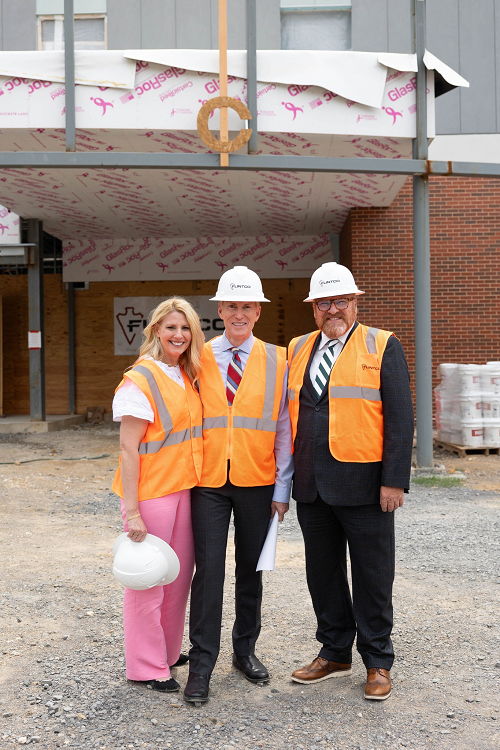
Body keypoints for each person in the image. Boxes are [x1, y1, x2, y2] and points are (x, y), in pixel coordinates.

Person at [287, 262, 414, 701]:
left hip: (365, 485)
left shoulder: (382, 345)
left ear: (355, 302)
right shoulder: (298, 348)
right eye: (324, 302)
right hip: (312, 485)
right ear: (313, 308)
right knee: (321, 573)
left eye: (340, 300)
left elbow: (401, 418)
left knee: (373, 575)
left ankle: (377, 661)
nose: (332, 309)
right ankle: (334, 650)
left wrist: (394, 480)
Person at [184, 266, 293, 704]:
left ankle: (244, 652)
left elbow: (285, 427)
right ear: (220, 309)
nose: (239, 313)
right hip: (208, 482)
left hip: (258, 481)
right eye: (232, 305)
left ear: (258, 310)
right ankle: (202, 664)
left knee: (251, 573)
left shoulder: (278, 359)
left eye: (247, 305)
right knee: (208, 573)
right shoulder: (198, 356)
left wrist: (282, 490)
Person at [112, 297, 205, 693]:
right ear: (154, 331)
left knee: (177, 577)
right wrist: (132, 512)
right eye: (170, 328)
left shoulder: (184, 373)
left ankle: (167, 651)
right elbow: (128, 449)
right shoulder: (140, 378)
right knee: (147, 579)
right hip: (150, 495)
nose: (178, 335)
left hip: (183, 489)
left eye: (185, 329)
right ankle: (146, 666)